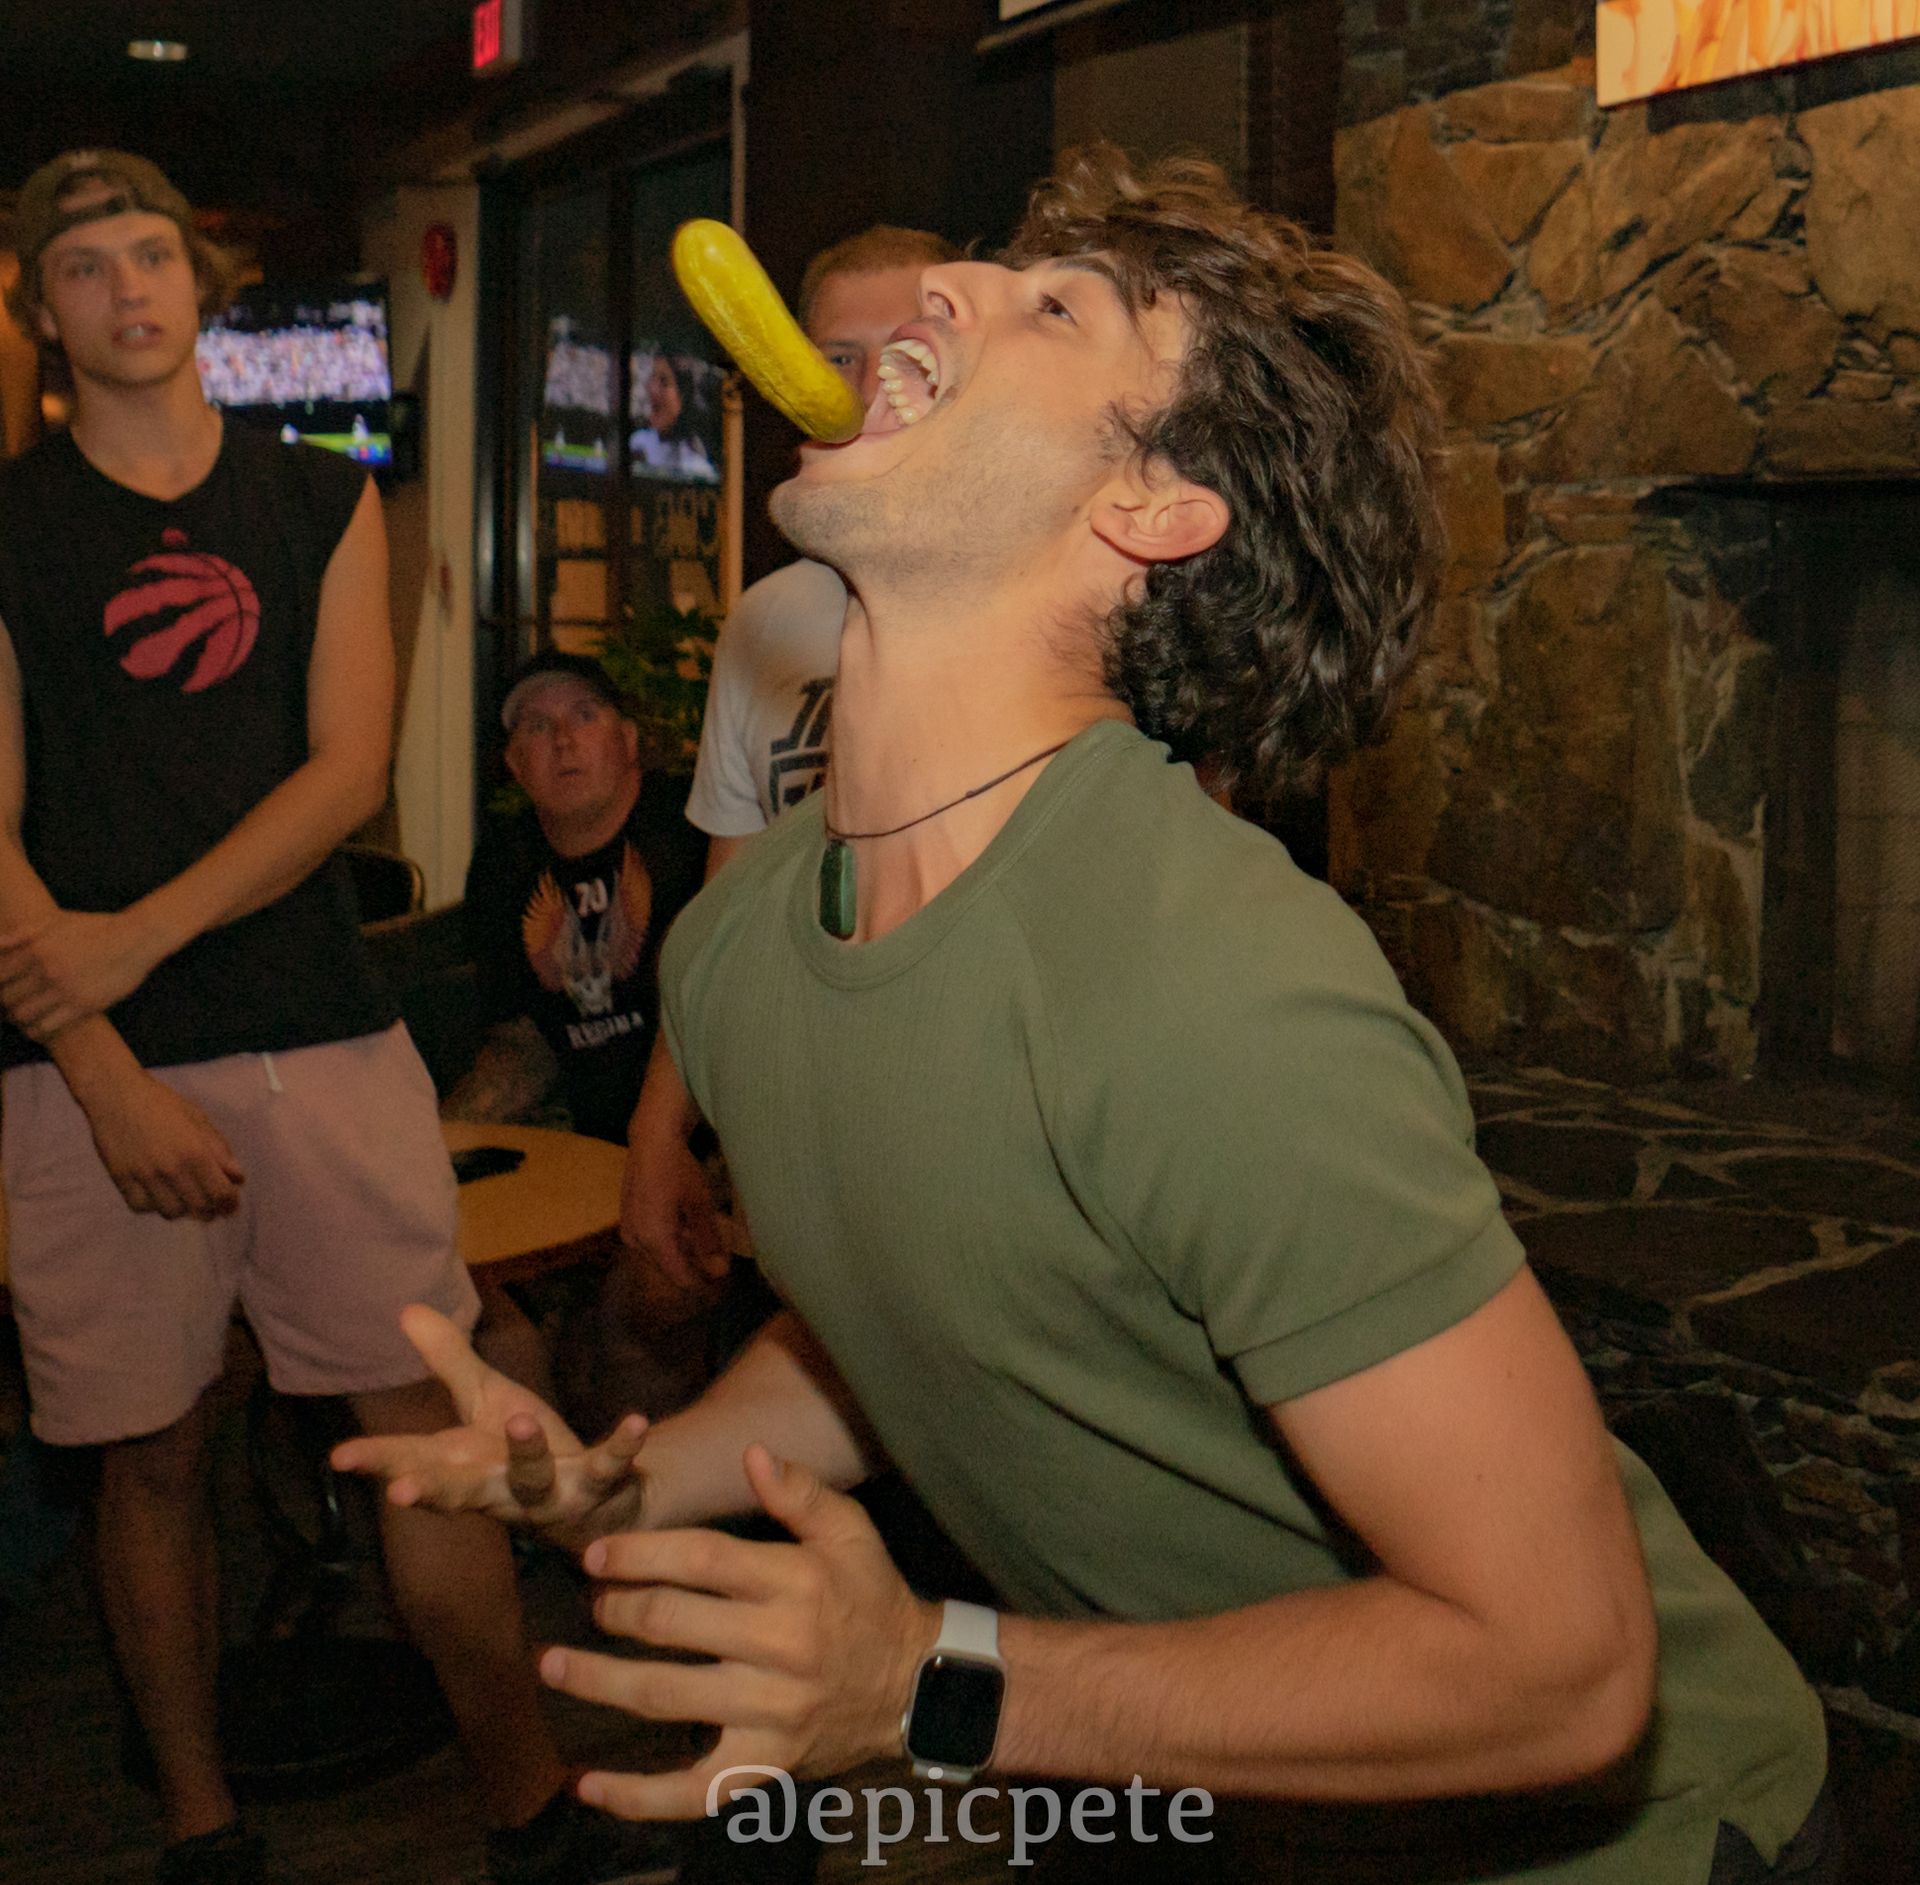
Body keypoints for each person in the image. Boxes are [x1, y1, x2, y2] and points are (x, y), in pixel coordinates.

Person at [337, 148, 1835, 1884]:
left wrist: (931, 1684)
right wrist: (635, 1479)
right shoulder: (745, 936)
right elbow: (909, 1320)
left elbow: (1564, 1670)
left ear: (1155, 508)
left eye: (1051, 302)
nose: (940, 297)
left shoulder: (1212, 986)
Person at [0, 150, 670, 1885]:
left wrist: (129, 945)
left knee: (431, 1431)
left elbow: (350, 768)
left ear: (198, 286)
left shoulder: (317, 500)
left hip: (319, 1026)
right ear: (43, 311)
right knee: (146, 1463)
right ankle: (204, 1832)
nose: (128, 286)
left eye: (153, 250)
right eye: (85, 267)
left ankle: (530, 1805)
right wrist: (99, 1055)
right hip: (86, 1079)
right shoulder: (8, 525)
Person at [622, 222, 957, 1328]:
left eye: (898, 356)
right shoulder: (767, 623)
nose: (858, 391)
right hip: (800, 1133)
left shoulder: (1055, 607)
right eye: (833, 360)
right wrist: (662, 1128)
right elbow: (729, 908)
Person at [445, 650, 706, 1416]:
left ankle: (643, 1514)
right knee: (465, 1295)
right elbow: (525, 1044)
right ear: (514, 767)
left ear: (628, 740)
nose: (562, 739)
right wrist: (427, 1147)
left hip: (713, 1148)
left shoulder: (694, 828)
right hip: (587, 1157)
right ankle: (550, 1509)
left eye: (583, 716)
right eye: (536, 725)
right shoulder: (505, 865)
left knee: (634, 1312)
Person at [629, 353, 717, 484]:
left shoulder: (698, 470)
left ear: (683, 397)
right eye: (652, 378)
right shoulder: (637, 442)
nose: (652, 389)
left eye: (664, 382)